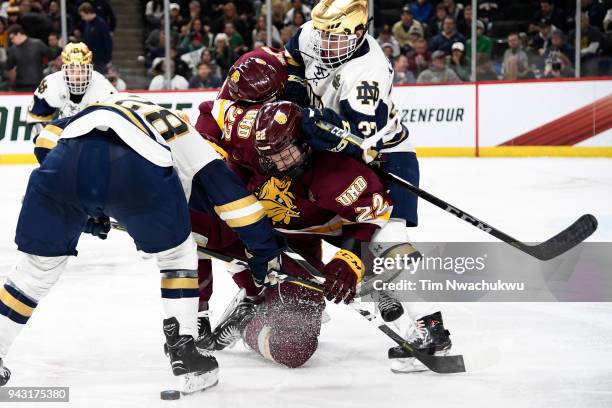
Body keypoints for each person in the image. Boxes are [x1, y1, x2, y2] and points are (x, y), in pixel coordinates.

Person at [0, 93, 286, 391]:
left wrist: (85, 208)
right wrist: (264, 250)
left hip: (64, 162)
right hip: (135, 165)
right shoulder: (185, 133)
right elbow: (237, 204)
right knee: (178, 256)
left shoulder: (104, 106)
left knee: (34, 271)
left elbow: (45, 140)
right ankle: (186, 353)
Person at [283, 0, 452, 365]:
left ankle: (432, 327)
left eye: (333, 36)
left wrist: (318, 123)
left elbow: (359, 140)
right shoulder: (317, 32)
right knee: (311, 224)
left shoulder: (367, 74)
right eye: (322, 33)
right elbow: (294, 52)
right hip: (337, 157)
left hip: (383, 156)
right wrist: (297, 88)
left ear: (358, 31)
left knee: (389, 240)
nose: (322, 42)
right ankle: (366, 289)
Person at [27, 42, 117, 139]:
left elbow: (116, 121)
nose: (77, 76)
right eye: (72, 70)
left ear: (89, 69)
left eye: (82, 70)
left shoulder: (102, 85)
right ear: (64, 69)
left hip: (93, 141)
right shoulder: (52, 83)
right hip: (62, 141)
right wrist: (46, 140)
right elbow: (36, 117)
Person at [6, 24, 51, 92]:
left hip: (37, 84)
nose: (12, 40)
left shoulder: (38, 44)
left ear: (19, 34)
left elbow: (51, 56)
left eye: (12, 38)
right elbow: (9, 66)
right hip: (20, 85)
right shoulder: (12, 49)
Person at [76, 2, 113, 73]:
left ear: (88, 13)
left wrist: (107, 59)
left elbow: (108, 42)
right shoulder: (87, 24)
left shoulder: (101, 24)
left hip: (100, 59)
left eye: (83, 15)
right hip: (90, 58)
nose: (82, 18)